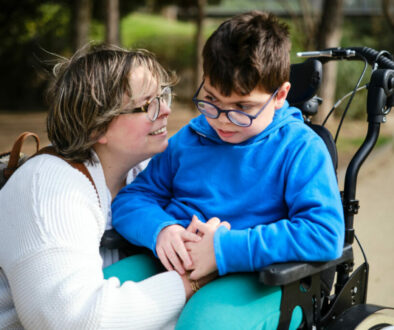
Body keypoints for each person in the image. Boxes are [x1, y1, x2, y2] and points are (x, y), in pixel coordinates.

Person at [111, 11, 345, 329]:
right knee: (101, 296)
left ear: (280, 95)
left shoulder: (300, 148)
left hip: (261, 280)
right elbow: (132, 198)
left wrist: (223, 249)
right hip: (175, 260)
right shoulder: (190, 139)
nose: (222, 118)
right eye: (211, 99)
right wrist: (162, 230)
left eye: (242, 108)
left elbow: (324, 233)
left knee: (203, 322)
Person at [0, 45, 222, 329]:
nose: (166, 111)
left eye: (163, 96)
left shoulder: (143, 172)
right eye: (148, 105)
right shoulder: (49, 187)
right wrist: (193, 280)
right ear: (97, 128)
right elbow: (75, 321)